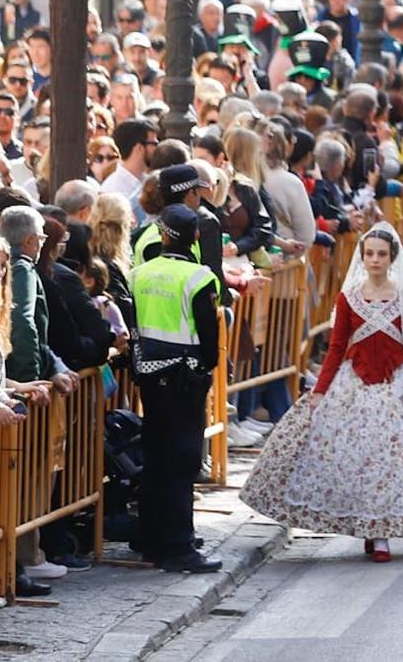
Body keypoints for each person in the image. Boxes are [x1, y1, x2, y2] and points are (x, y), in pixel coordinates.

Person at [240, 226, 403, 561]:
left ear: (391, 258)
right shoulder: (348, 297)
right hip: (354, 385)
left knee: (388, 458)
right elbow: (336, 349)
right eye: (370, 254)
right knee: (359, 457)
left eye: (381, 254)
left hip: (396, 386)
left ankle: (381, 533)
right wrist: (321, 391)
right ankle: (367, 525)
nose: (375, 260)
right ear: (362, 258)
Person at [130, 204, 223, 572]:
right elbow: (209, 336)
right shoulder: (199, 277)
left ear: (163, 234)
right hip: (186, 377)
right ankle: (179, 545)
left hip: (149, 376)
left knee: (155, 456)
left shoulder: (139, 273)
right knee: (183, 460)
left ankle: (151, 536)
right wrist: (205, 367)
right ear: (195, 237)